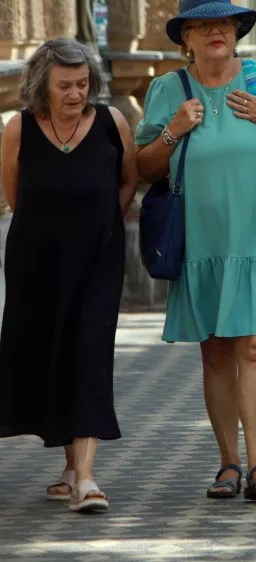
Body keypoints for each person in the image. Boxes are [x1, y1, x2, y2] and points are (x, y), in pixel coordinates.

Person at [135, 0, 256, 502]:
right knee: (215, 352)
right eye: (203, 25)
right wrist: (174, 130)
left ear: (237, 32)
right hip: (202, 239)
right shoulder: (168, 89)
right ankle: (227, 464)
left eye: (225, 24)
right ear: (185, 38)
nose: (217, 32)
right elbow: (145, 167)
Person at [0, 37, 138, 513]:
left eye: (83, 84)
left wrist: (103, 225)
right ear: (43, 84)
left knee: (88, 351)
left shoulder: (111, 123)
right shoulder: (18, 128)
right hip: (36, 260)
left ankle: (86, 477)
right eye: (65, 85)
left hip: (98, 256)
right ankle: (68, 466)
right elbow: (15, 196)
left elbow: (128, 179)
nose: (76, 93)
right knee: (54, 352)